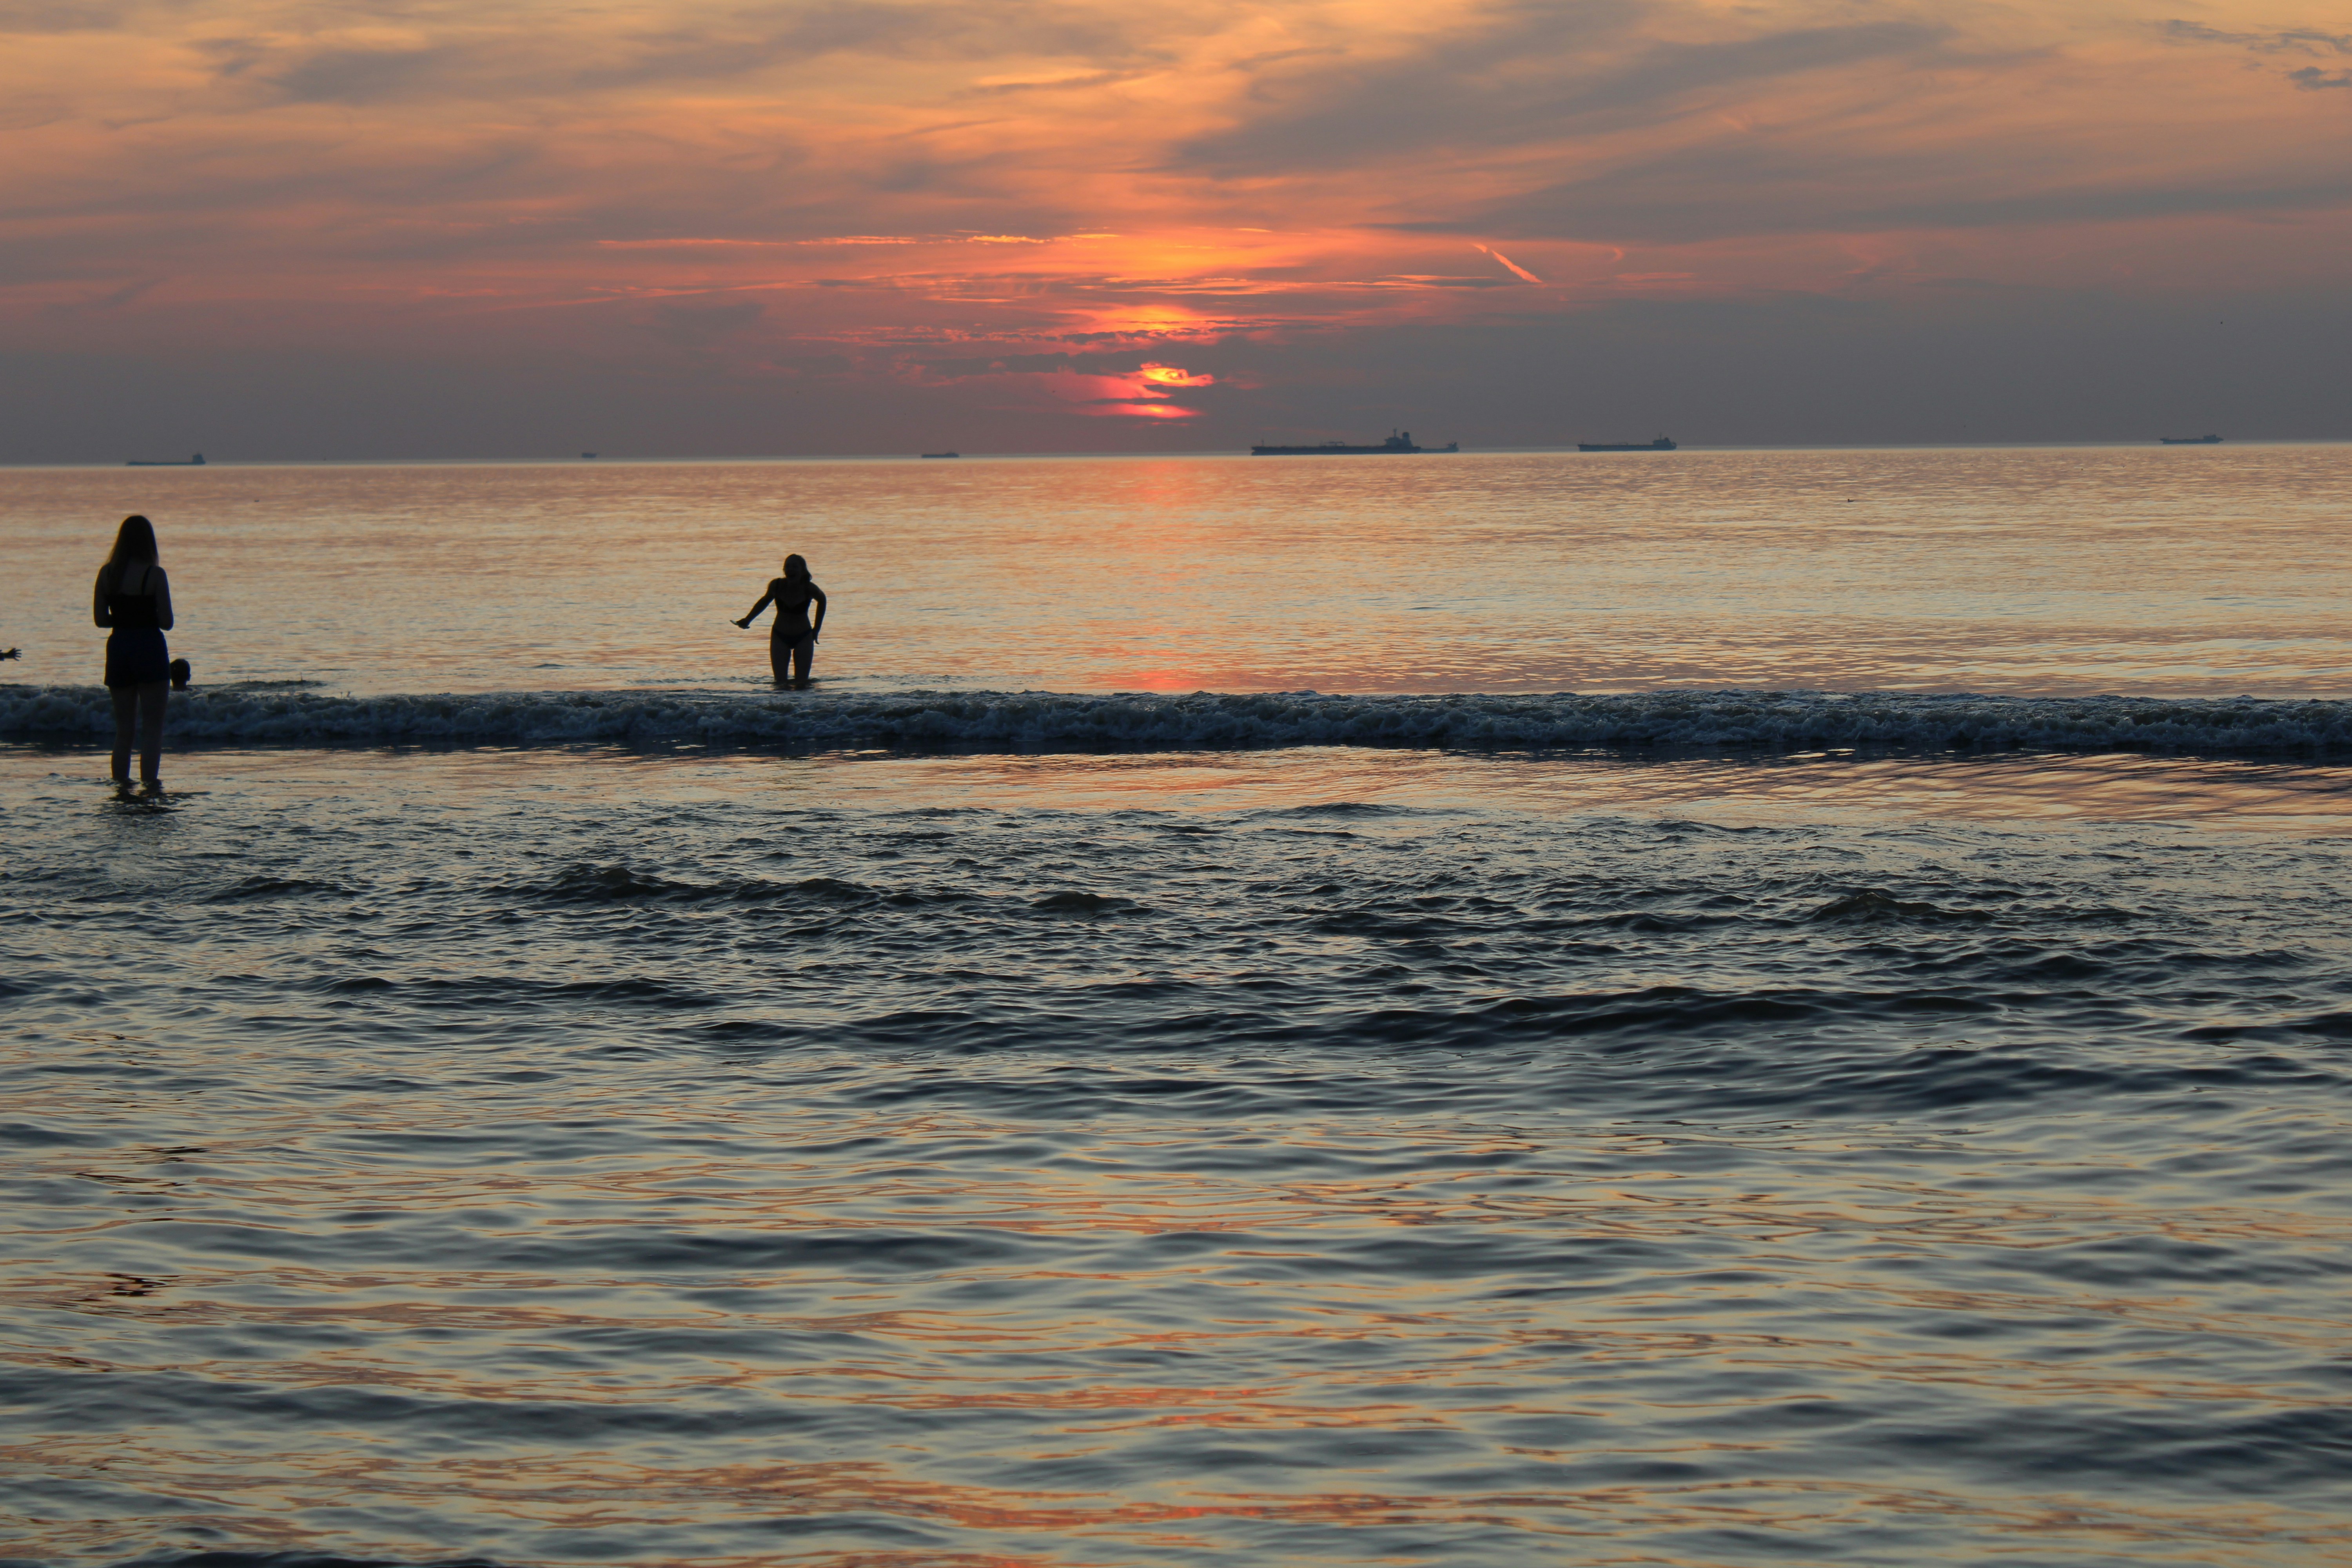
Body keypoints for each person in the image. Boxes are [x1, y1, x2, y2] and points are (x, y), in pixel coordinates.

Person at [92, 514, 174, 792]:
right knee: (153, 728)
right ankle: (150, 786)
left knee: (124, 730)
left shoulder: (107, 574)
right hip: (149, 647)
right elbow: (167, 622)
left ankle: (121, 787)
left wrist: (125, 618)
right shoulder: (155, 575)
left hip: (119, 649)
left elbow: (101, 620)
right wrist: (143, 616)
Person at [734, 554, 827, 689]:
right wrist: (748, 620)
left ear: (802, 571)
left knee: (802, 685)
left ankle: (800, 709)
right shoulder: (776, 585)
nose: (791, 570)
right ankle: (780, 709)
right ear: (784, 570)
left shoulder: (809, 588)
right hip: (780, 636)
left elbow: (822, 600)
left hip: (804, 636)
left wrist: (817, 629)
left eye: (795, 567)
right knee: (780, 685)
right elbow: (764, 601)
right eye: (787, 567)